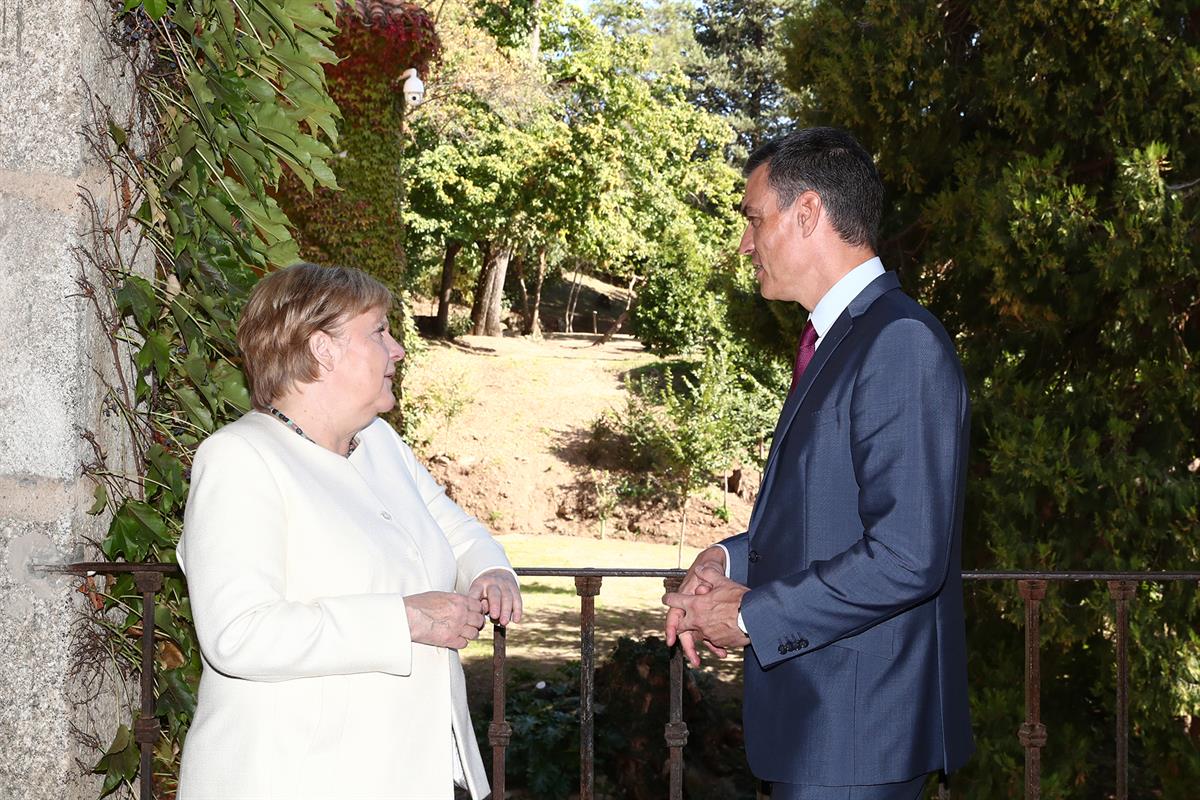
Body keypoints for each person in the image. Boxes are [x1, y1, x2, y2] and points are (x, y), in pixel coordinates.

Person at [663, 127, 973, 799]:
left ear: (807, 214)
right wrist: (726, 559)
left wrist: (750, 617)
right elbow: (821, 517)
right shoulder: (844, 339)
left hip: (858, 735)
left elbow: (906, 556)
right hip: (822, 731)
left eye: (754, 220)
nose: (745, 244)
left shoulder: (899, 343)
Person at [177, 262, 521, 799]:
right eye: (379, 331)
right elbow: (238, 635)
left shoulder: (380, 444)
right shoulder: (239, 458)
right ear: (322, 349)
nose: (398, 349)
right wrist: (406, 618)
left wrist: (492, 570)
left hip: (411, 776)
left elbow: (459, 533)